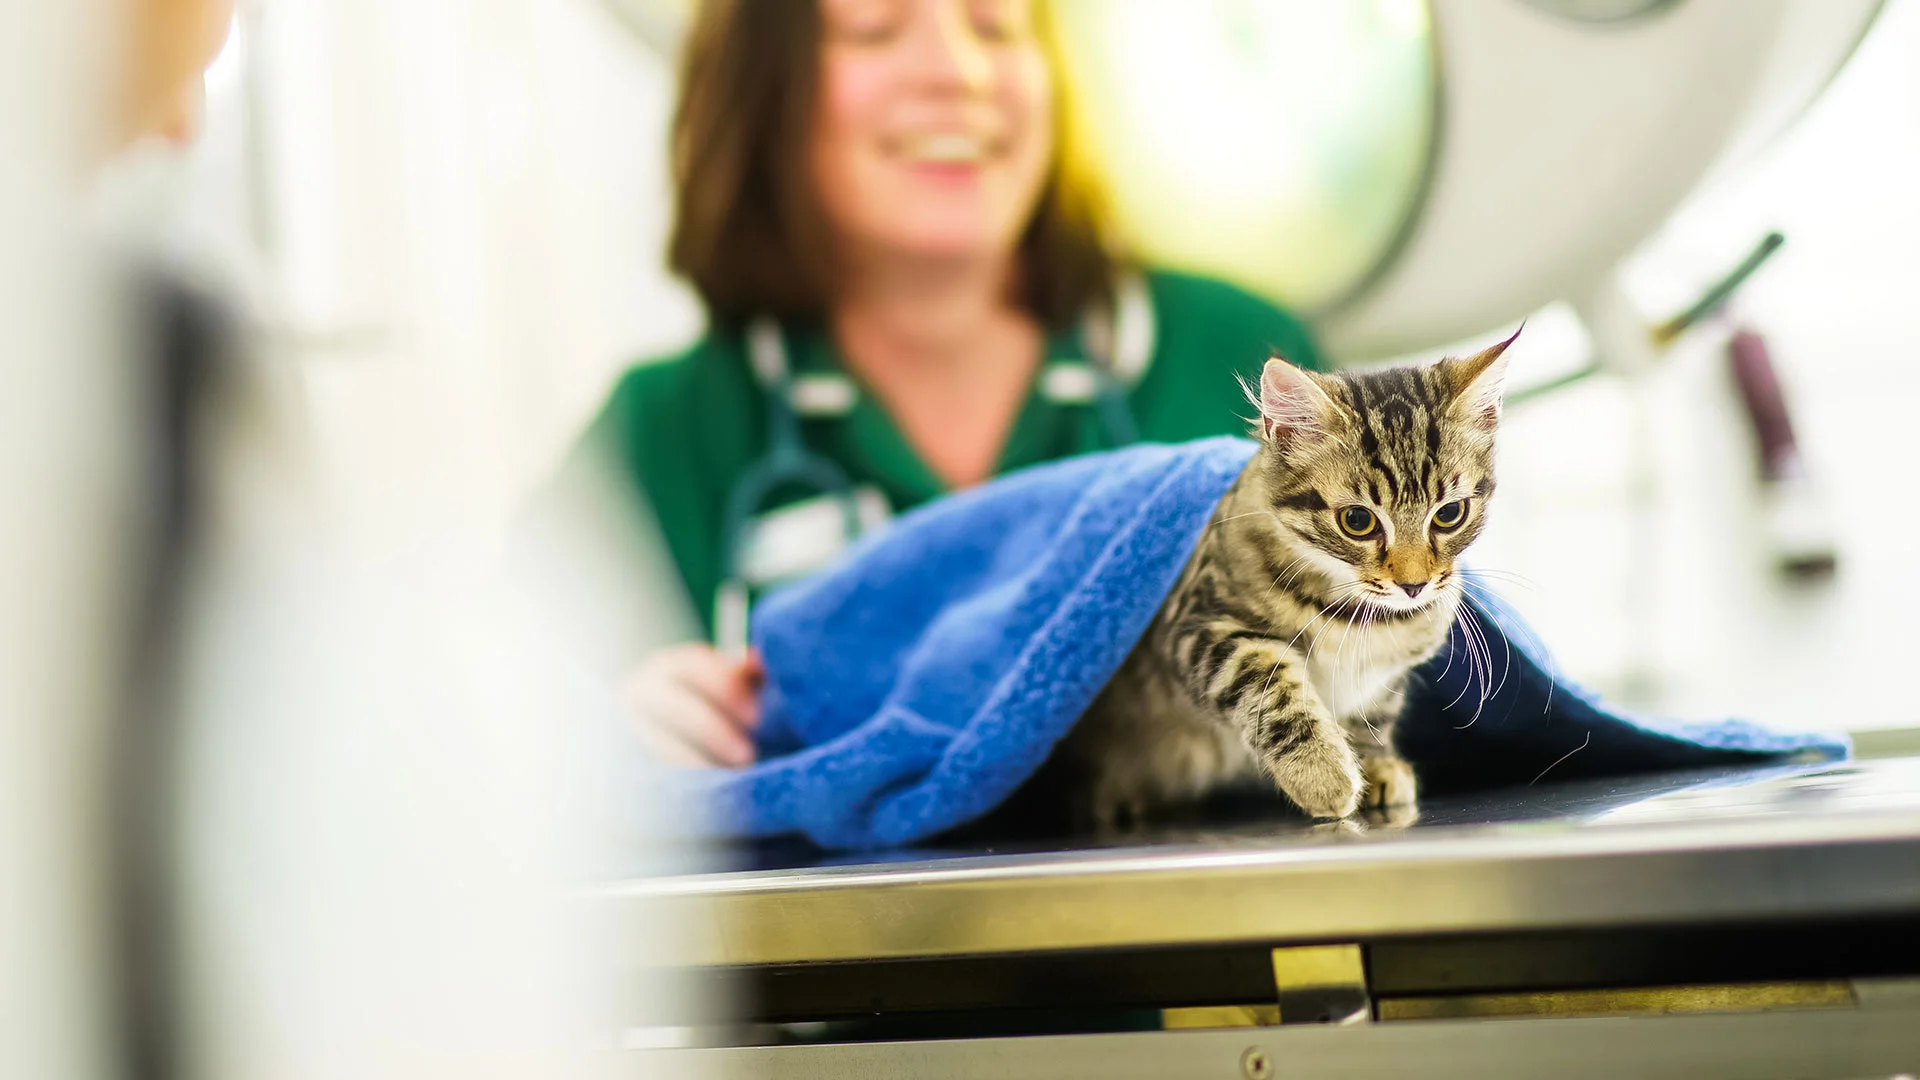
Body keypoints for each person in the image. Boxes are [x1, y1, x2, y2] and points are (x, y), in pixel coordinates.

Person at [571, 0, 1328, 768]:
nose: (956, 71)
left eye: (996, 25)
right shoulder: (655, 436)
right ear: (765, 86)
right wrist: (605, 741)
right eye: (873, 26)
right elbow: (485, 749)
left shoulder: (1239, 359)